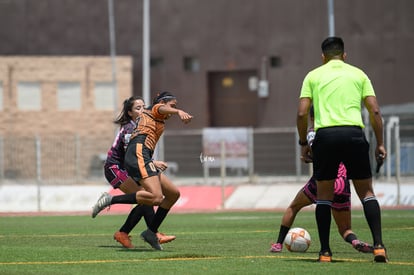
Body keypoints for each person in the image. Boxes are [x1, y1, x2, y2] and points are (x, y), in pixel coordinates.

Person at [297, 36, 387, 262]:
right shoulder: (359, 74)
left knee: (324, 197)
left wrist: (303, 143)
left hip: (325, 137)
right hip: (354, 134)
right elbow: (375, 112)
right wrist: (380, 142)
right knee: (367, 193)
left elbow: (301, 113)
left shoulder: (313, 76)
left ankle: (325, 252)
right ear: (344, 55)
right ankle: (379, 247)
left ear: (323, 57)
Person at [92, 91, 193, 250]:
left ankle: (148, 232)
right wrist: (178, 111)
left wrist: (151, 162)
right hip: (118, 166)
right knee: (154, 197)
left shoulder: (148, 120)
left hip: (140, 158)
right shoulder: (151, 112)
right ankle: (111, 202)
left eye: (143, 106)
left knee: (172, 194)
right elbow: (132, 148)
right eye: (137, 107)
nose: (142, 109)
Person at [270, 107, 373, 254]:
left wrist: (309, 157)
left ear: (312, 118)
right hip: (342, 183)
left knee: (294, 207)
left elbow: (320, 154)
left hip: (323, 182)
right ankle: (355, 241)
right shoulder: (340, 131)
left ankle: (278, 244)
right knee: (345, 229)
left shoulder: (314, 133)